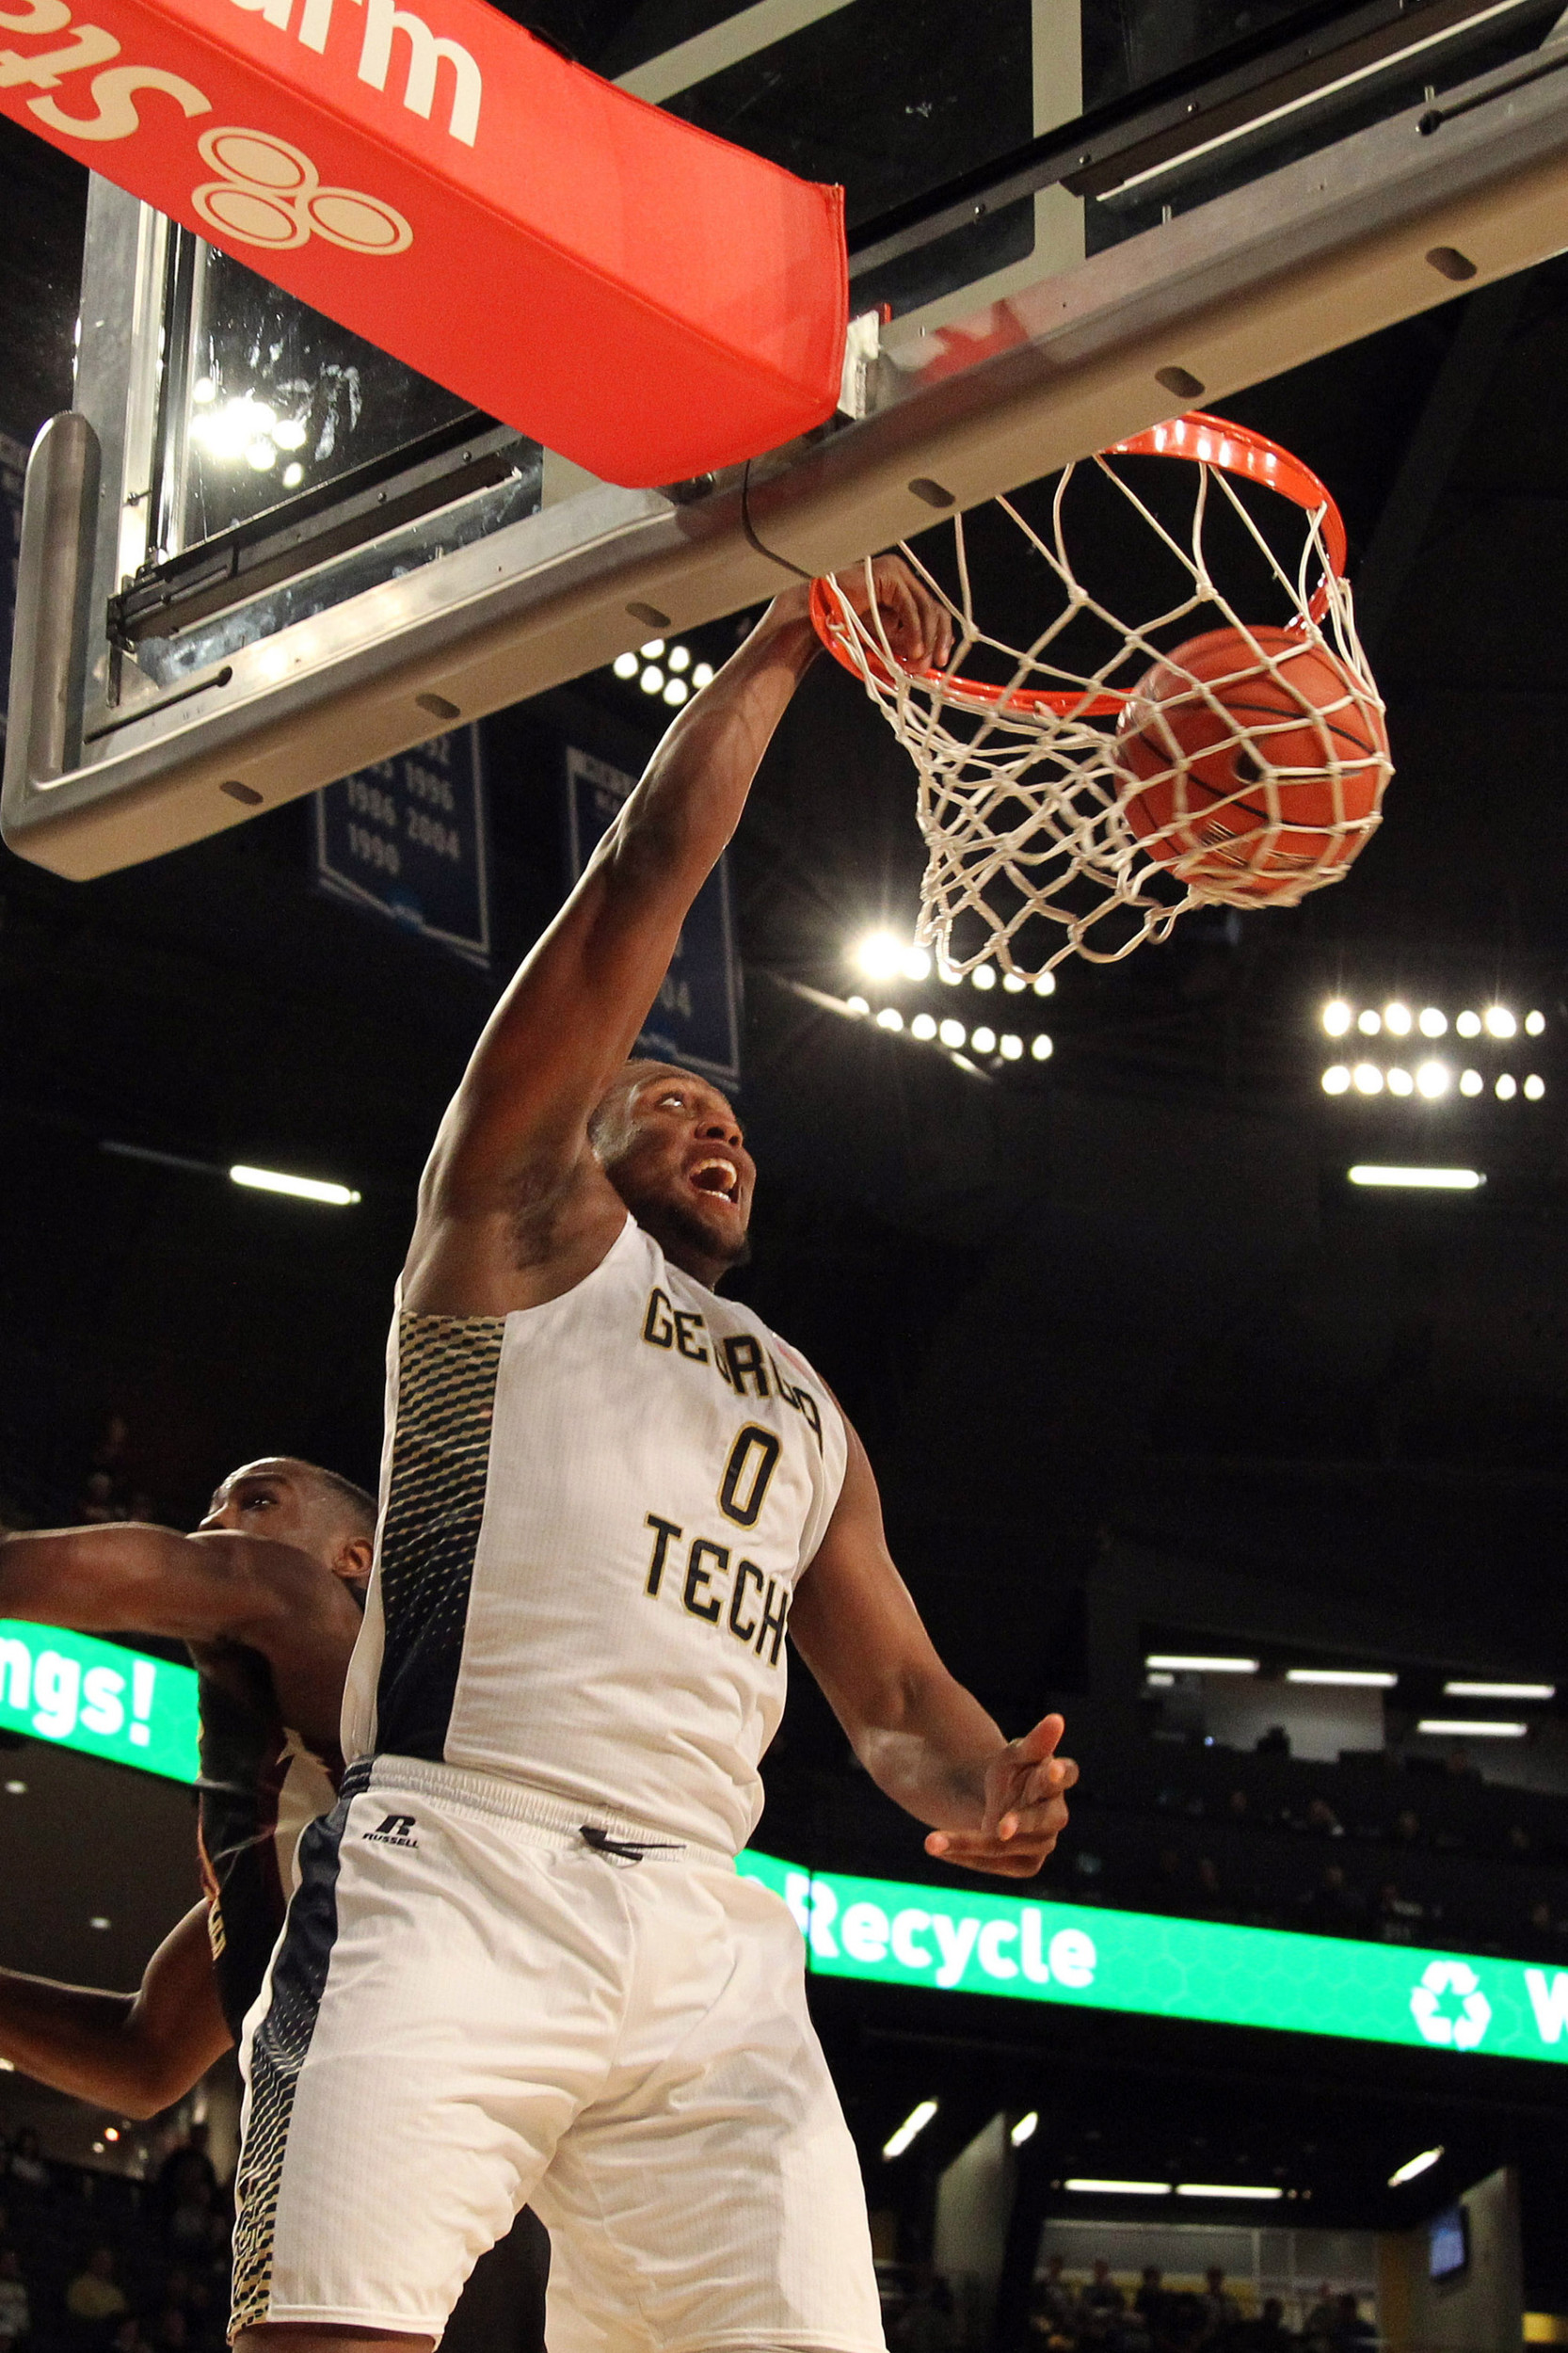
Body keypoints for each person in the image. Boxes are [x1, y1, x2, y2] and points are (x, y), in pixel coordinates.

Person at [230, 557, 1079, 2353]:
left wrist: (982, 1790)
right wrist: (783, 642)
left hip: (708, 1926)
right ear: (577, 1131)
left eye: (737, 1122)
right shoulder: (515, 1232)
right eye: (670, 1101)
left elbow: (898, 1697)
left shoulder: (807, 1403)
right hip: (464, 1860)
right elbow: (638, 894)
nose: (715, 1126)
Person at [0, 1462, 548, 2353]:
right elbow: (146, 2058)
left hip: (417, 2146)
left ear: (353, 1559)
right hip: (465, 2176)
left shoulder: (318, 1611)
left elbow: (168, 1572)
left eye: (258, 1503)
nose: (219, 1524)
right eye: (210, 1506)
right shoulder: (294, 1826)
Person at [65, 2249, 127, 2326]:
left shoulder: (115, 2292)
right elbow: (77, 2313)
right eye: (100, 2259)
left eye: (107, 2261)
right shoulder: (80, 2286)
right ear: (92, 2261)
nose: (103, 2264)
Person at [0, 2246, 29, 2350]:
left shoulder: (20, 2288)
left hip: (14, 2334)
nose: (9, 2266)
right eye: (6, 2262)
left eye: (12, 2263)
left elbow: (22, 2320)